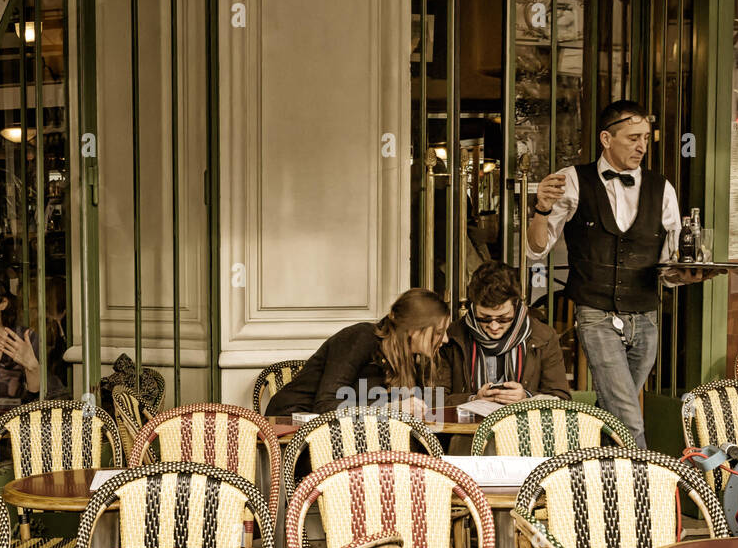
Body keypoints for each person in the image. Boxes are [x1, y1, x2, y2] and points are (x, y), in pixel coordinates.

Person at [527, 99, 698, 448]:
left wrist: (686, 275)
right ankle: (645, 494)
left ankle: (598, 484)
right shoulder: (574, 180)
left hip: (645, 317)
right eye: (633, 137)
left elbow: (669, 266)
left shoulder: (661, 188)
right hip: (595, 314)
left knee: (611, 414)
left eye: (646, 138)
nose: (641, 146)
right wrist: (541, 210)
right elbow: (537, 248)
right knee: (629, 416)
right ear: (606, 138)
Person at [265, 287, 450, 418]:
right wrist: (389, 408)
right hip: (291, 428)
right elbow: (325, 405)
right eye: (439, 332)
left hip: (344, 435)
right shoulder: (361, 337)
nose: (446, 339)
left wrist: (473, 398)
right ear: (414, 330)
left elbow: (428, 403)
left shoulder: (408, 357)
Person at [439, 260, 570, 404]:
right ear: (473, 306)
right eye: (484, 318)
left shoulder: (544, 337)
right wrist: (473, 399)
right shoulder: (451, 337)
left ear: (517, 305)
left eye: (503, 318)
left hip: (521, 425)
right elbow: (433, 399)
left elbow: (561, 400)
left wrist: (526, 397)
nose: (494, 326)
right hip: (466, 425)